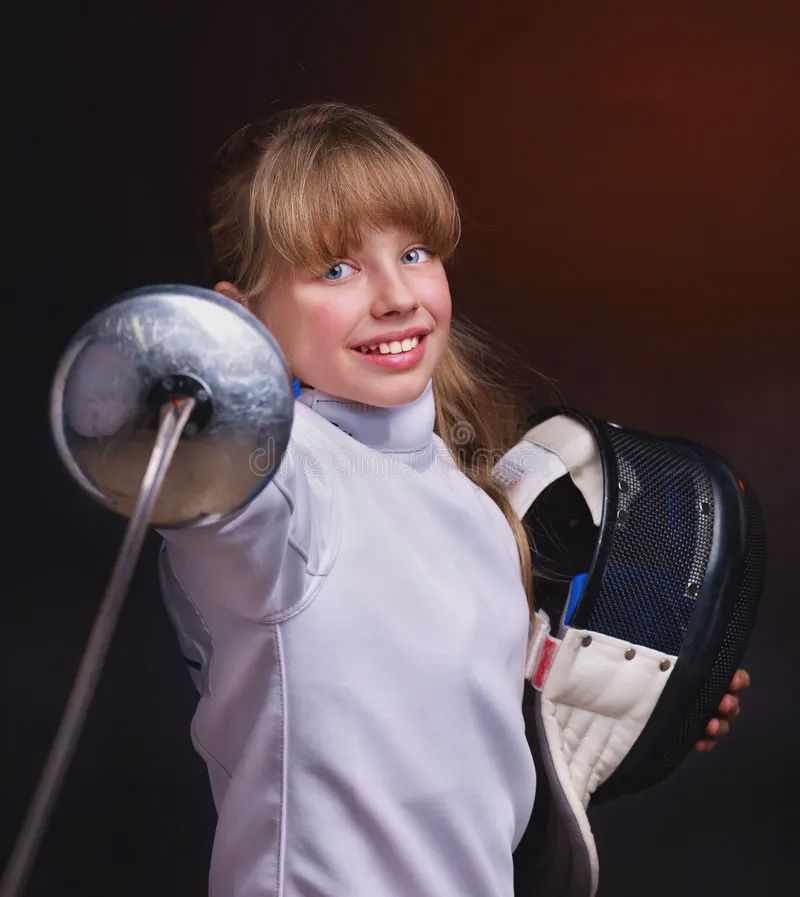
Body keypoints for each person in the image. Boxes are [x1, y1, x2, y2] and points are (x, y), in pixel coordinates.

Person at [156, 102, 749, 897]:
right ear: (242, 312)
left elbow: (466, 737)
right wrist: (187, 378)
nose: (397, 296)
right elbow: (217, 483)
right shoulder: (281, 479)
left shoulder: (468, 494)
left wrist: (659, 702)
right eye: (336, 268)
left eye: (415, 250)